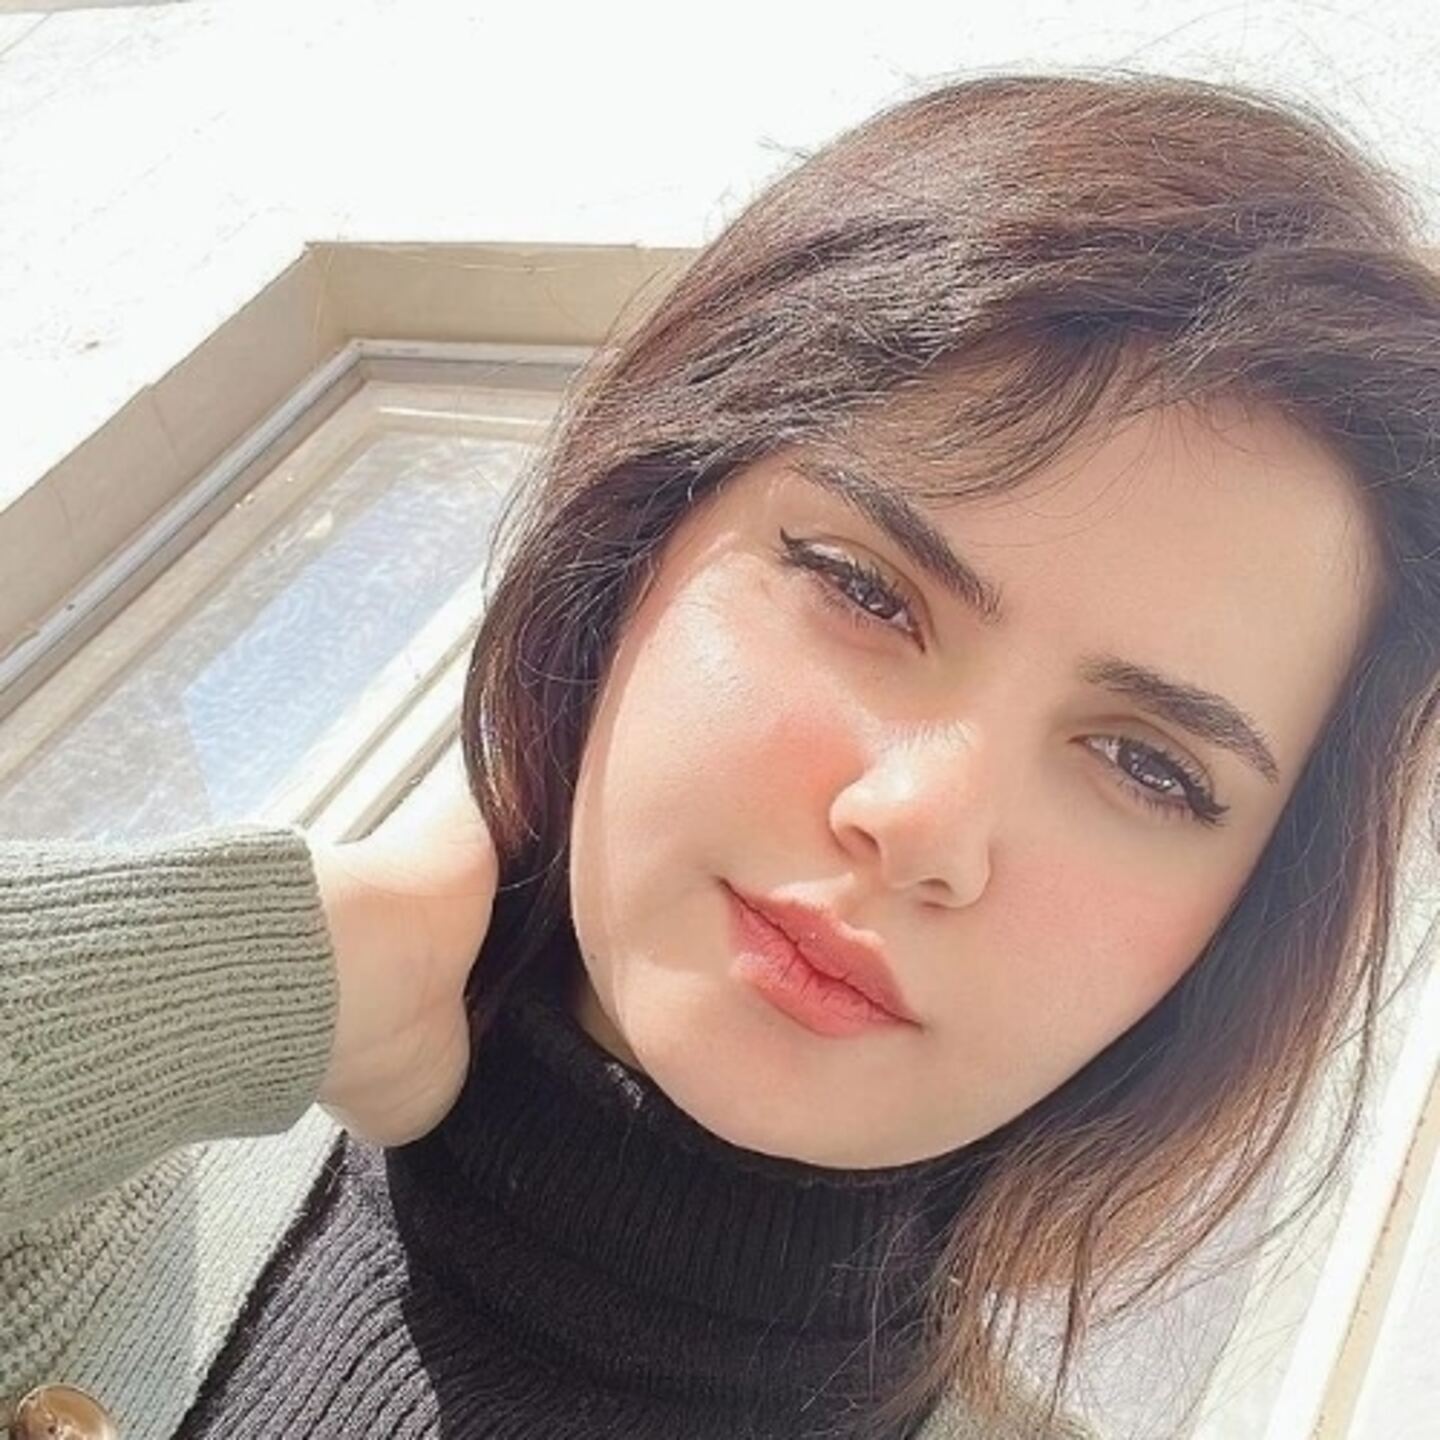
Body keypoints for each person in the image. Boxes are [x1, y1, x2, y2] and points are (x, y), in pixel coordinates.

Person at [4, 68, 1440, 1440]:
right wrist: (268, 964)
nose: (922, 821)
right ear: (635, 545)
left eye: (1147, 767)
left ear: (1249, 914)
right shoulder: (101, 1168)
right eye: (865, 589)